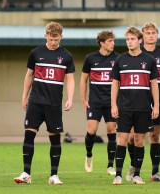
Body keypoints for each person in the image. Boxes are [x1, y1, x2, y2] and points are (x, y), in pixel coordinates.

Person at [14, 22, 75, 185]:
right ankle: (26, 173)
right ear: (45, 36)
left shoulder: (67, 56)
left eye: (56, 39)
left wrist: (70, 98)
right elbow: (29, 75)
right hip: (36, 101)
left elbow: (70, 78)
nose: (53, 42)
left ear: (61, 37)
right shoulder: (36, 53)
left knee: (55, 138)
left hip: (54, 104)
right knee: (29, 134)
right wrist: (24, 96)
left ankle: (54, 175)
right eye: (51, 38)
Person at [126, 22, 160, 183]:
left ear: (157, 34)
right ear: (142, 35)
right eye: (148, 33)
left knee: (154, 136)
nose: (151, 35)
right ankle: (134, 167)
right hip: (136, 101)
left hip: (156, 102)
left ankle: (155, 172)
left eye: (153, 32)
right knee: (133, 137)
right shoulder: (133, 53)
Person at [110, 26, 159, 185]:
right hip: (124, 107)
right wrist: (113, 105)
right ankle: (118, 175)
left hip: (143, 108)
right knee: (122, 140)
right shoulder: (120, 60)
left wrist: (156, 105)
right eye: (127, 39)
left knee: (139, 141)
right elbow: (115, 84)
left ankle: (136, 175)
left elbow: (154, 84)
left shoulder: (149, 60)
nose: (129, 42)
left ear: (139, 40)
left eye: (132, 39)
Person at [80, 30, 119, 175]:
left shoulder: (118, 58)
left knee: (111, 130)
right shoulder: (90, 58)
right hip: (95, 102)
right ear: (102, 43)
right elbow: (83, 79)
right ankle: (89, 155)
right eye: (109, 41)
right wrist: (84, 99)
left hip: (111, 102)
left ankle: (110, 165)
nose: (112, 44)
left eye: (113, 41)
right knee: (92, 131)